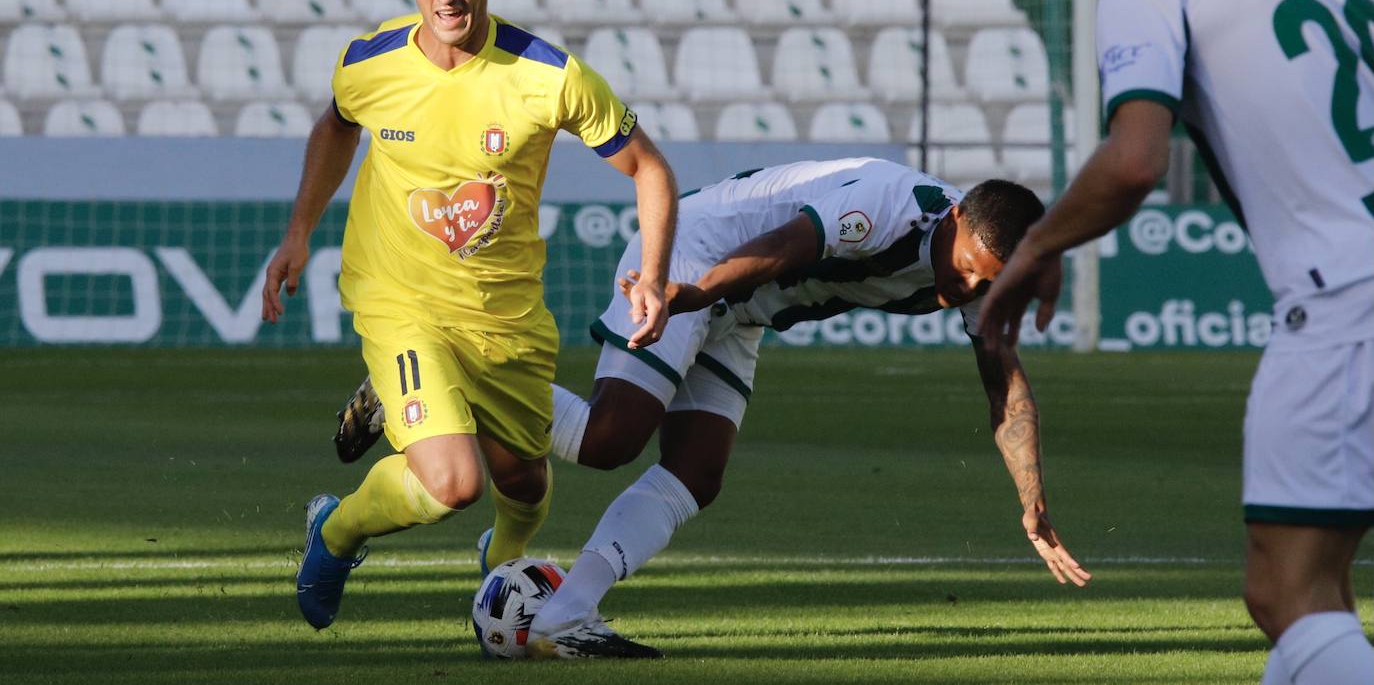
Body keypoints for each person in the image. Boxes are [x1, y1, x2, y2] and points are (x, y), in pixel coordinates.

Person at [338, 158, 1092, 657]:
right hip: (701, 256)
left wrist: (1032, 501)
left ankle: (567, 617)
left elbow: (1005, 383)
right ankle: (451, 377)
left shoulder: (986, 274)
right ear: (955, 220)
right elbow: (792, 244)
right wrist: (687, 293)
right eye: (963, 271)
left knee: (698, 470)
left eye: (983, 281)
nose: (966, 290)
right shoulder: (890, 207)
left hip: (743, 305)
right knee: (609, 439)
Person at [976, 0, 1374, 685]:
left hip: (1346, 302)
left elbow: (1134, 161)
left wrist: (1035, 248)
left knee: (1285, 593)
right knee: (1323, 588)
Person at [261, 0, 679, 631]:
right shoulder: (370, 61)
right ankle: (335, 531)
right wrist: (298, 232)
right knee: (453, 481)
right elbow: (336, 127)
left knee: (522, 482)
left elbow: (649, 168)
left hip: (503, 313)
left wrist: (652, 274)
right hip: (399, 299)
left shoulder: (548, 75)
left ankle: (500, 574)